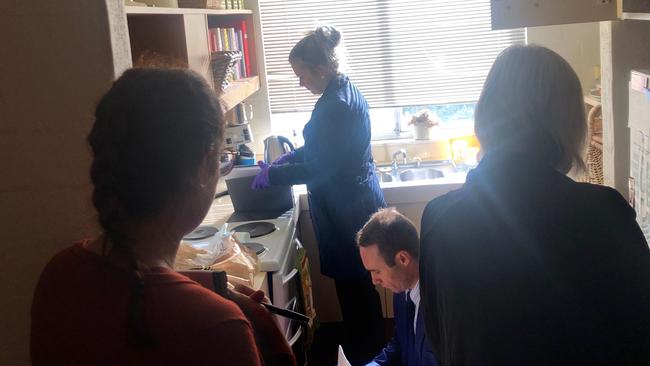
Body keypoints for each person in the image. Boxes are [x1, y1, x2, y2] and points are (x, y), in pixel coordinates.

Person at [30, 68, 295, 366]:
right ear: (202, 167)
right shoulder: (218, 326)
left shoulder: (58, 274)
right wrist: (266, 330)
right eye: (222, 159)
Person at [419, 44, 650, 366]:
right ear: (569, 124)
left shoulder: (439, 219)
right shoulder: (605, 214)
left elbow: (441, 340)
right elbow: (640, 335)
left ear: (486, 116)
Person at [252, 25, 386, 364]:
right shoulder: (342, 92)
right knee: (358, 283)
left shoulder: (336, 106)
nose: (300, 82)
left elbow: (319, 167)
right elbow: (319, 149)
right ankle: (365, 348)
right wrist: (287, 157)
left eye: (301, 74)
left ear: (321, 69)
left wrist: (274, 175)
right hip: (353, 202)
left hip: (347, 210)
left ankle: (363, 353)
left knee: (354, 285)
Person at [357, 208, 439, 366]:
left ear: (402, 259)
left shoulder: (442, 303)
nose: (374, 281)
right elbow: (399, 345)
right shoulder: (401, 292)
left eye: (377, 271)